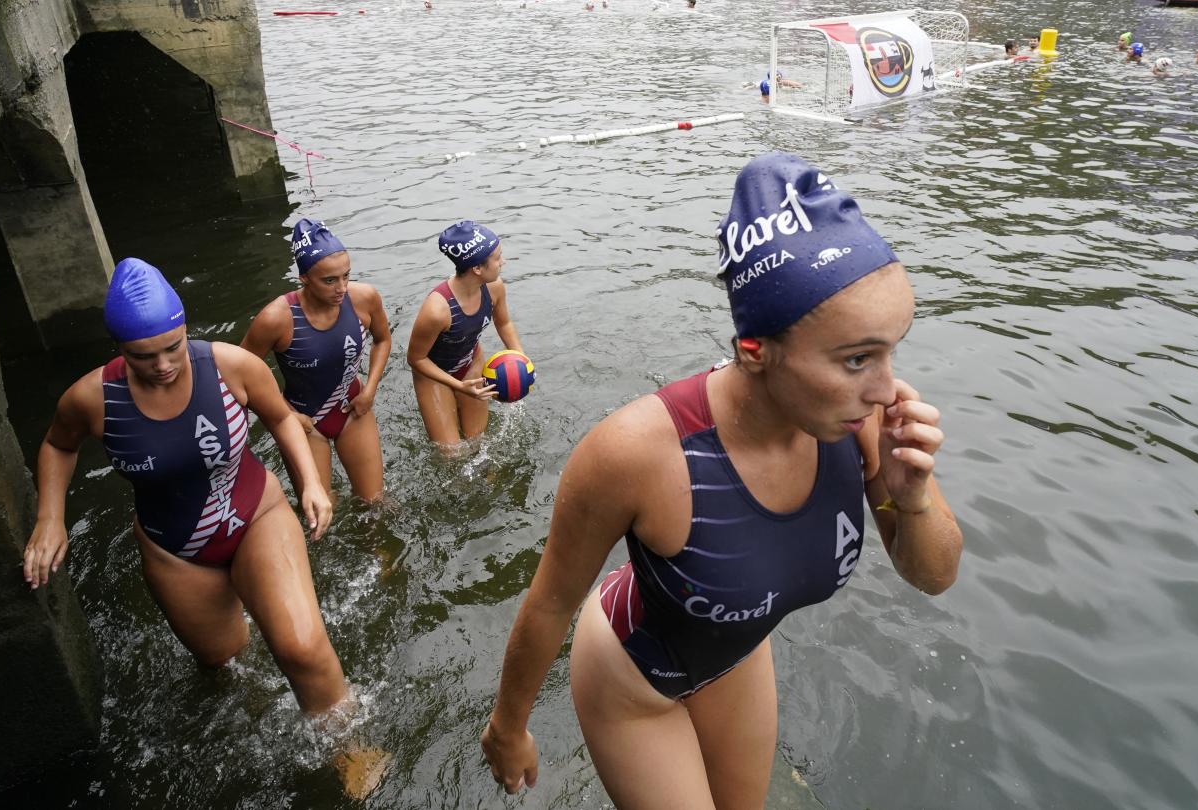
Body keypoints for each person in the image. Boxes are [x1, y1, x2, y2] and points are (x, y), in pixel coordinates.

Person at [480, 153, 963, 806]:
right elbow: (549, 603)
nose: (886, 388)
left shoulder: (862, 420)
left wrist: (913, 498)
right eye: (857, 359)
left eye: (890, 350)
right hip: (633, 680)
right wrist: (508, 730)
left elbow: (933, 576)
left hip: (736, 656)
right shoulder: (635, 454)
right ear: (755, 352)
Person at [23, 259, 350, 712]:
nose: (162, 365)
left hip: (257, 517)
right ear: (119, 347)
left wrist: (310, 483)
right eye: (142, 356)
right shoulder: (92, 398)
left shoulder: (230, 365)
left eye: (173, 348)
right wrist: (50, 517)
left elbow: (282, 419)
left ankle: (351, 745)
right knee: (225, 666)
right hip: (175, 552)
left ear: (185, 330)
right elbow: (58, 446)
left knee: (303, 649)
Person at [241, 219, 393, 505]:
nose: (342, 288)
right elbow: (239, 378)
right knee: (321, 513)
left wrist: (370, 390)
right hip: (303, 421)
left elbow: (383, 340)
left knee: (375, 503)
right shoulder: (276, 319)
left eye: (346, 276)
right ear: (304, 278)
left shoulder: (364, 298)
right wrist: (286, 415)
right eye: (330, 280)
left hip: (352, 408)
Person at [406, 222, 527, 450]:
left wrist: (521, 357)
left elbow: (504, 323)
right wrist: (459, 386)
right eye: (497, 258)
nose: (503, 262)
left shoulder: (494, 287)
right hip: (433, 375)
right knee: (452, 453)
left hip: (470, 362)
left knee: (478, 442)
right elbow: (415, 359)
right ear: (477, 268)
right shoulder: (437, 310)